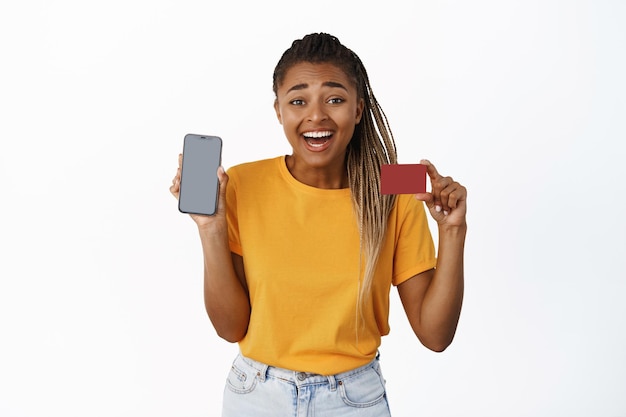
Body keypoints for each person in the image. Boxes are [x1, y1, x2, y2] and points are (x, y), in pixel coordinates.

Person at [170, 33, 467, 417]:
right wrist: (210, 228)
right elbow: (231, 328)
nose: (316, 116)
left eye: (335, 99)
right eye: (297, 101)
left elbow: (435, 335)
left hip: (354, 401)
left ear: (358, 109)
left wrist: (453, 232)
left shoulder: (396, 186)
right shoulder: (242, 184)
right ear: (278, 111)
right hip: (257, 397)